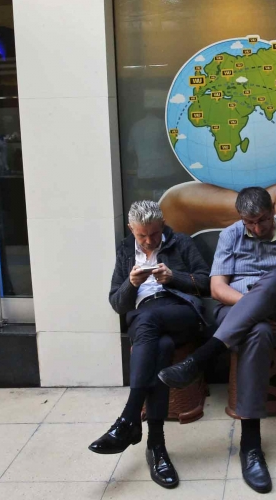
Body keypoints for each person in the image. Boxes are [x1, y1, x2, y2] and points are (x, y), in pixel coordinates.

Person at [158, 187, 276, 494]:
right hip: (237, 315)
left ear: (273, 210)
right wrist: (255, 306)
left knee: (274, 280)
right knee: (257, 330)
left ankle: (202, 357)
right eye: (249, 223)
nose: (256, 229)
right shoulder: (230, 235)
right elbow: (217, 289)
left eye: (262, 220)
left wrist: (272, 295)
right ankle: (251, 446)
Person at [88, 200, 210, 489]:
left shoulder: (181, 243)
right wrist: (131, 283)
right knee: (161, 346)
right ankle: (156, 446)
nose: (148, 241)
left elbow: (206, 283)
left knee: (148, 320)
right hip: (146, 320)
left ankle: (129, 419)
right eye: (141, 235)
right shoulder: (125, 249)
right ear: (131, 229)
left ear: (163, 225)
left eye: (154, 234)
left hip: (180, 312)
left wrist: (174, 278)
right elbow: (117, 304)